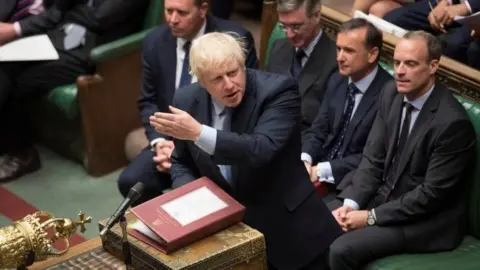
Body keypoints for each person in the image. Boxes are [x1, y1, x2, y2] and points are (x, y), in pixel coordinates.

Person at [150, 32, 342, 270]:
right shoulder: (187, 100)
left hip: (291, 233)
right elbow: (181, 161)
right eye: (217, 79)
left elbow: (260, 148)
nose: (229, 84)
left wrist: (199, 133)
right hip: (231, 237)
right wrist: (194, 200)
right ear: (201, 81)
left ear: (243, 65)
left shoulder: (278, 91)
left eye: (233, 72)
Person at [327, 30, 476, 270]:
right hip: (384, 198)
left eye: (410, 64)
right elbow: (373, 158)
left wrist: (370, 217)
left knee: (341, 249)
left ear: (433, 66)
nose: (399, 71)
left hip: (425, 221)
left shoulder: (452, 124)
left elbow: (430, 196)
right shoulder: (391, 93)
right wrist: (353, 205)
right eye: (396, 63)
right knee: (316, 220)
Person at [117, 0, 258, 205]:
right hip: (169, 139)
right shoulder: (154, 42)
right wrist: (160, 143)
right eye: (169, 11)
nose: (173, 20)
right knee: (131, 181)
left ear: (203, 9)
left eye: (182, 13)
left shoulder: (234, 39)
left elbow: (246, 104)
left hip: (214, 140)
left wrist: (189, 149)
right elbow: (148, 101)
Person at [0, 0, 149, 181]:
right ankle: (10, 144)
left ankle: (23, 154)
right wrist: (65, 12)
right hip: (60, 38)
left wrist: (66, 12)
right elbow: (56, 9)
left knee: (22, 82)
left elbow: (98, 18)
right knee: (6, 64)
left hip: (92, 53)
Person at [301, 18, 393, 200]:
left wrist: (321, 170)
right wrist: (306, 159)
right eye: (339, 48)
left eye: (349, 51)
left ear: (372, 54)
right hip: (317, 170)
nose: (339, 57)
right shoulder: (337, 79)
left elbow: (372, 158)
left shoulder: (390, 96)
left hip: (350, 185)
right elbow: (318, 129)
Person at [265, 0, 337, 130]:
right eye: (283, 26)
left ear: (316, 16)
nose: (289, 34)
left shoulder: (336, 61)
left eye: (296, 26)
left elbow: (327, 123)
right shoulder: (279, 47)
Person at [383, 0, 480, 67]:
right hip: (452, 3)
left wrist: (467, 7)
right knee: (391, 20)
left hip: (475, 14)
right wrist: (444, 2)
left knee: (454, 44)